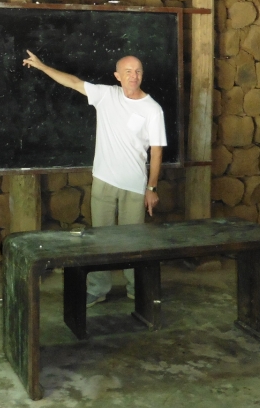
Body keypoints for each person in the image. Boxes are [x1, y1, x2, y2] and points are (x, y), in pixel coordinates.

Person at [22, 50, 167, 307]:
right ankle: (98, 289)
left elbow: (156, 151)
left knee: (133, 240)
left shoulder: (152, 109)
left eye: (138, 71)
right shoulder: (106, 95)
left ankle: (137, 289)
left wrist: (151, 187)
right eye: (128, 72)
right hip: (103, 181)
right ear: (117, 76)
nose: (133, 76)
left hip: (134, 185)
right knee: (100, 239)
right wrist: (43, 67)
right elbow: (73, 82)